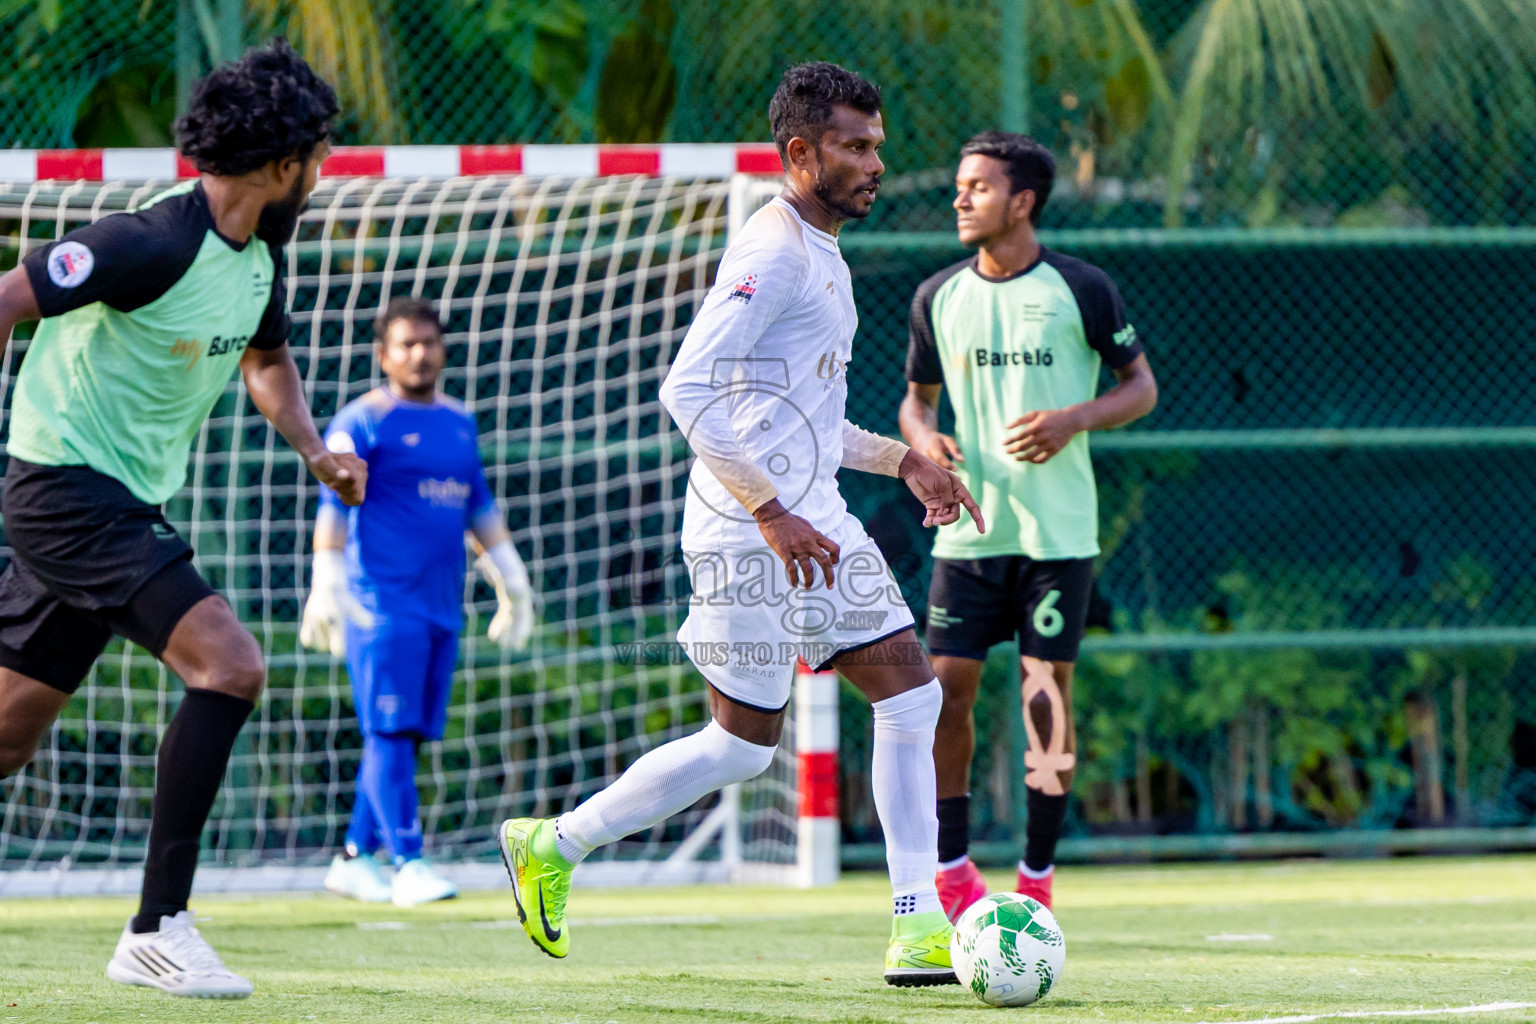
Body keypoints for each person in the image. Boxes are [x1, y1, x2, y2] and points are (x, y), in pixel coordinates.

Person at [496, 61, 984, 987]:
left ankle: (916, 925)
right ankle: (555, 842)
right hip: (746, 527)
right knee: (780, 734)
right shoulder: (774, 252)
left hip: (807, 515)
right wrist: (768, 513)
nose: (875, 162)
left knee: (856, 711)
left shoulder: (820, 248)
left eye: (878, 144)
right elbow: (685, 389)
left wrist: (903, 458)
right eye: (854, 146)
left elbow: (796, 418)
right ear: (800, 153)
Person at [0, 40, 363, 998]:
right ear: (283, 165)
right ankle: (158, 928)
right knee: (231, 664)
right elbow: (3, 300)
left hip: (110, 504)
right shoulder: (147, 242)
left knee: (7, 735)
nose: (322, 176)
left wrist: (317, 451)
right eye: (319, 157)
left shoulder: (257, 262)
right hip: (69, 495)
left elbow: (266, 360)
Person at [899, 131, 1158, 919]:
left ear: (1023, 202)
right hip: (970, 536)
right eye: (958, 184)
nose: (960, 199)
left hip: (1057, 535)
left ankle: (1038, 881)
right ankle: (952, 870)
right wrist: (924, 440)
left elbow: (1140, 387)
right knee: (946, 694)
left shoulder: (1083, 288)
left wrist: (1073, 418)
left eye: (977, 186)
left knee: (1045, 694)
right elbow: (916, 400)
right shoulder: (937, 296)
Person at [303, 296, 535, 907]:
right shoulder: (362, 421)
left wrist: (511, 578)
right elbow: (334, 500)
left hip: (440, 606)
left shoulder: (459, 422)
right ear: (383, 354)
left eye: (428, 342)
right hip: (378, 603)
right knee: (390, 730)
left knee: (403, 735)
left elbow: (477, 503)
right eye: (406, 344)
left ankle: (355, 857)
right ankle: (408, 859)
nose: (420, 353)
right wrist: (325, 577)